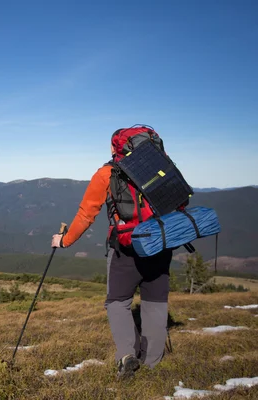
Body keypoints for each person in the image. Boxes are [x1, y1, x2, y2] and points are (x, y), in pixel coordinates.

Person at [51, 135, 172, 380]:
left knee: (118, 302)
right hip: (161, 244)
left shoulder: (107, 173)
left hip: (126, 248)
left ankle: (127, 356)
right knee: (155, 304)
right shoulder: (163, 166)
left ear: (117, 147)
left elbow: (86, 215)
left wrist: (63, 241)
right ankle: (151, 366)